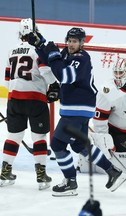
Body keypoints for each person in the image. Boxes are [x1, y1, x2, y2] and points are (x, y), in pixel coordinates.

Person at [28, 27, 126, 196]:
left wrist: (53, 54)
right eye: (69, 40)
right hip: (77, 108)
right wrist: (40, 44)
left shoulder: (81, 58)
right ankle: (112, 171)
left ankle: (70, 182)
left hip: (77, 109)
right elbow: (52, 60)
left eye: (74, 41)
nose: (71, 44)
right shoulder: (68, 54)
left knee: (57, 145)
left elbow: (64, 75)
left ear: (82, 43)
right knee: (79, 145)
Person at [0, 18, 59, 190]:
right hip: (35, 99)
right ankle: (41, 174)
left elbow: (6, 80)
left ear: (20, 33)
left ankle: (5, 169)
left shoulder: (11, 51)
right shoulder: (37, 50)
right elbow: (45, 70)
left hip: (14, 99)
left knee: (14, 136)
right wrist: (54, 85)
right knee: (39, 137)